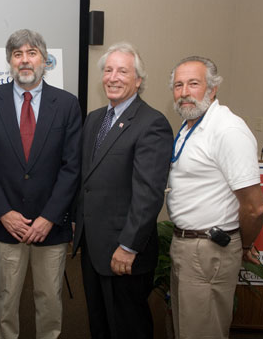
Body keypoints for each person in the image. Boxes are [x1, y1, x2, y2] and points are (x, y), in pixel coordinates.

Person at [0, 29, 82, 339]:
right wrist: (3, 212)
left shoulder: (67, 104)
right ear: (9, 61)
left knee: (49, 301)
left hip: (51, 225)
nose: (24, 60)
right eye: (17, 54)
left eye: (31, 53)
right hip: (7, 226)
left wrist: (49, 216)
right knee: (4, 302)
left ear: (44, 60)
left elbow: (72, 166)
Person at [72, 42, 173, 338]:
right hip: (93, 247)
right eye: (108, 70)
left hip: (123, 251)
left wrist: (128, 247)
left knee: (128, 327)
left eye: (122, 71)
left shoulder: (151, 123)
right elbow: (87, 179)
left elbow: (148, 193)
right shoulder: (93, 120)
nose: (113, 77)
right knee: (100, 325)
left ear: (138, 80)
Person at [167, 56, 263, 339]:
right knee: (186, 329)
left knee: (202, 332)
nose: (184, 92)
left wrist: (244, 245)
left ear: (213, 89)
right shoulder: (191, 125)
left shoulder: (227, 130)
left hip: (208, 250)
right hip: (188, 247)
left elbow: (255, 207)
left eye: (193, 84)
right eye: (178, 85)